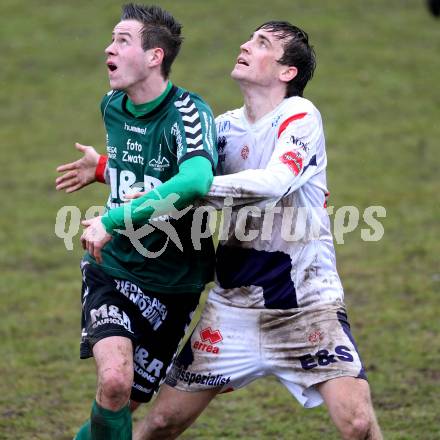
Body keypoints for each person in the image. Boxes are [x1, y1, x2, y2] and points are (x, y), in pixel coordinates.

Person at [57, 20, 382, 440]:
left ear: (287, 72)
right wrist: (106, 168)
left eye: (262, 43)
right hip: (234, 307)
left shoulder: (300, 117)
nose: (245, 45)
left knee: (356, 422)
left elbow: (272, 183)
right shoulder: (224, 128)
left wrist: (197, 188)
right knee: (161, 422)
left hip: (304, 302)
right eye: (249, 38)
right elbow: (167, 177)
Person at [56, 3, 217, 440]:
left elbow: (196, 178)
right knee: (113, 382)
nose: (109, 48)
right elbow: (145, 170)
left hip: (174, 286)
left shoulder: (187, 113)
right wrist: (105, 169)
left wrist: (115, 215)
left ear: (154, 56)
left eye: (122, 40)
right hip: (113, 266)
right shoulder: (113, 106)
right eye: (112, 39)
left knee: (122, 403)